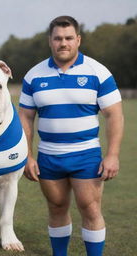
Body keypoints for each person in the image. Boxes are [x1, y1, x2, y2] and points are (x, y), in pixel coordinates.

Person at [18, 16, 124, 256]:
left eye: (68, 38)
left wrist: (113, 155)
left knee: (90, 208)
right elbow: (25, 118)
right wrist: (27, 156)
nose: (63, 43)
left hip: (86, 155)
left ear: (78, 40)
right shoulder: (34, 75)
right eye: (57, 38)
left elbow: (114, 115)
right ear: (50, 41)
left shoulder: (98, 72)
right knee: (56, 208)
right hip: (49, 156)